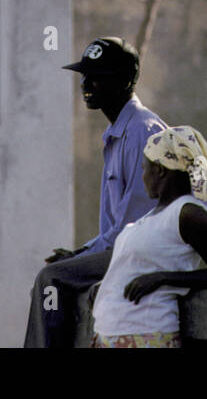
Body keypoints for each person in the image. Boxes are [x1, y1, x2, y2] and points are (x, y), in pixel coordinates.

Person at [23, 37, 166, 348]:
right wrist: (82, 252)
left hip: (142, 254)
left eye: (98, 76)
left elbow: (135, 227)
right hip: (124, 248)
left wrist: (87, 254)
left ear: (127, 80)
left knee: (52, 280)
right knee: (56, 272)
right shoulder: (117, 133)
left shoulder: (143, 131)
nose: (86, 83)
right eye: (84, 75)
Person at [91, 125, 207, 347]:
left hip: (146, 335)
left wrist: (162, 278)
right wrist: (107, 284)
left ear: (160, 170)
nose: (142, 177)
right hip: (111, 332)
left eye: (144, 169)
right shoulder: (152, 216)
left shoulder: (189, 213)